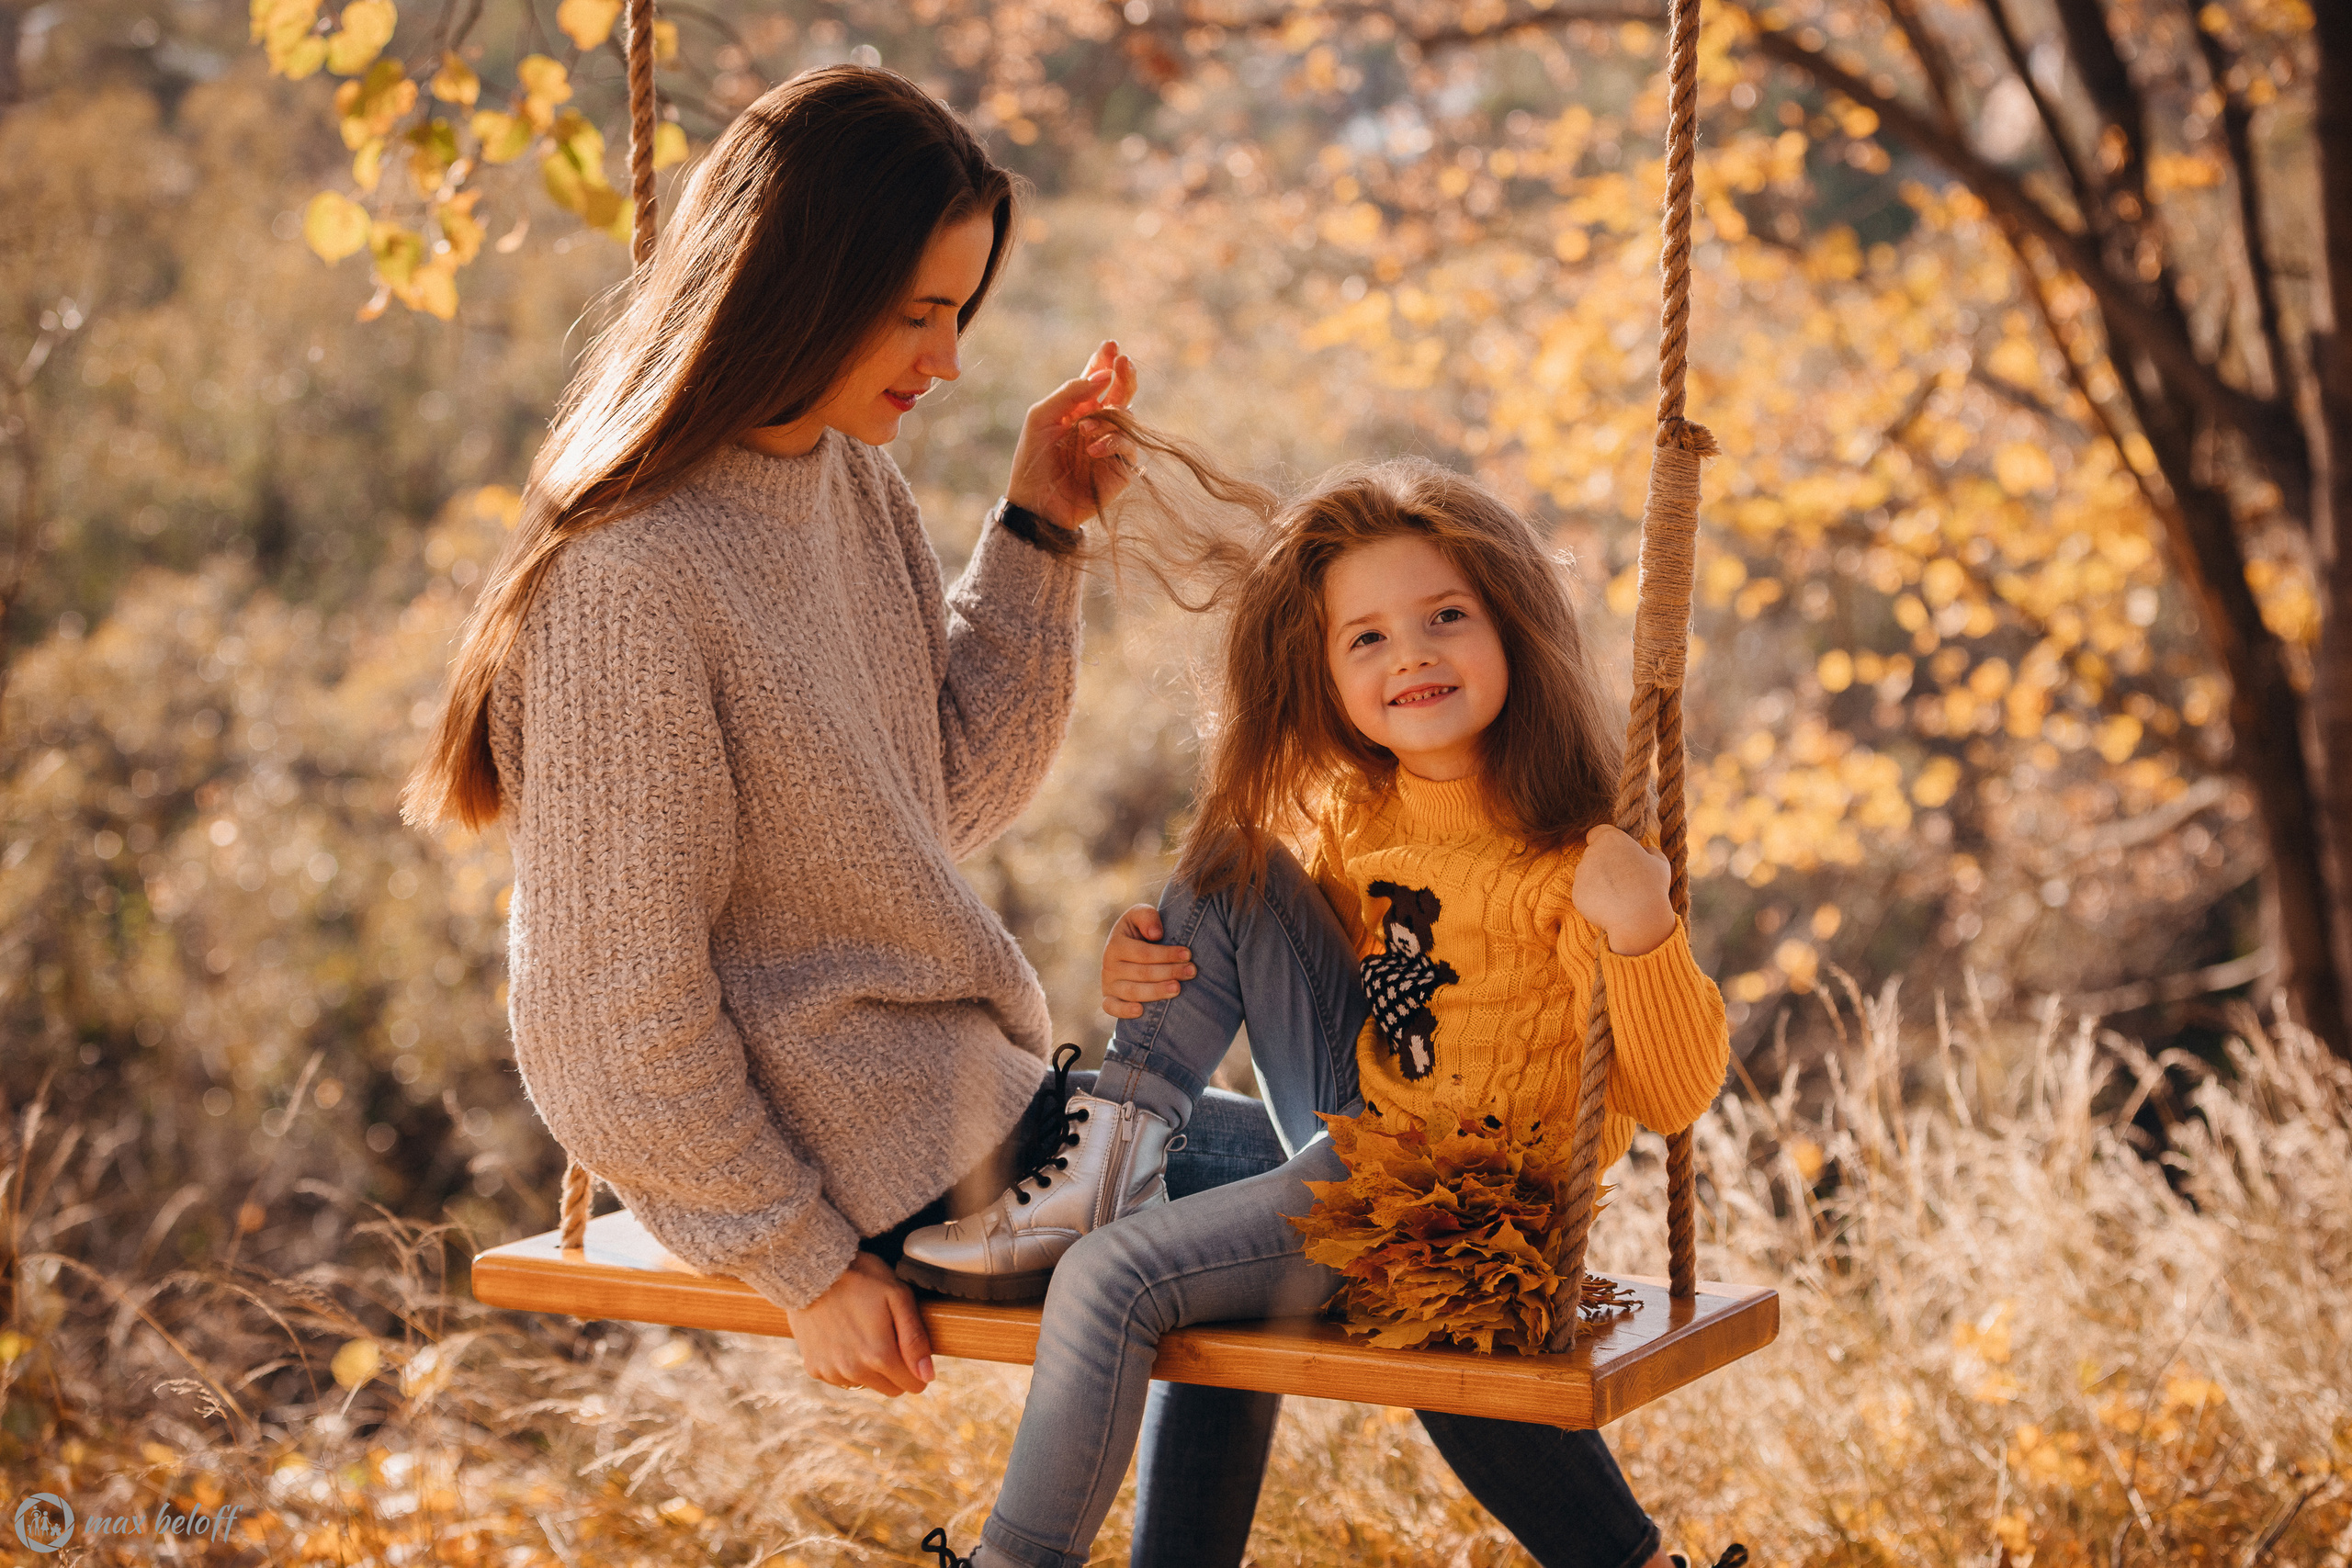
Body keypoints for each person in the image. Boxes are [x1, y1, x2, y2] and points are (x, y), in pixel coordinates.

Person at [402, 65, 1298, 1566]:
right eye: (916, 315)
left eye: (960, 312)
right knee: (1377, 1218)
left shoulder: (846, 486)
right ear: (796, 283)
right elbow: (603, 1017)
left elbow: (938, 791)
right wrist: (800, 1264)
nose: (947, 362)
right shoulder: (628, 582)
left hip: (989, 1109)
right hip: (891, 1178)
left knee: (1372, 1190)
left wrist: (1035, 530)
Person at [910, 453, 1736, 1568]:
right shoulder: (1356, 812)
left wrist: (1642, 930)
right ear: (1328, 671)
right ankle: (1115, 1147)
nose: (1413, 655)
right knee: (1225, 867)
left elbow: (1677, 1092)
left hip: (1452, 1209)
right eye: (1369, 638)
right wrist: (1147, 972)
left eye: (1447, 615)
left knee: (1116, 1279)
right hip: (1361, 1129)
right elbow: (1246, 934)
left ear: (1513, 628)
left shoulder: (1573, 864)